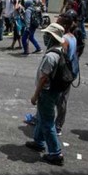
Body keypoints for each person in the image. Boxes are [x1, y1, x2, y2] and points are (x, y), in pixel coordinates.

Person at [25, 23, 66, 166]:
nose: (44, 37)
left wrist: (35, 95)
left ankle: (56, 153)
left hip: (47, 92)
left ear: (52, 38)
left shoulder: (51, 56)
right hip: (55, 91)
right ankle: (38, 142)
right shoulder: (61, 51)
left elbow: (44, 78)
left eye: (47, 35)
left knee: (48, 123)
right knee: (42, 118)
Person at [55, 11, 80, 136]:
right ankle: (58, 124)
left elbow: (61, 58)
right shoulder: (72, 36)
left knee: (60, 100)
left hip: (63, 74)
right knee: (62, 100)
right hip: (70, 72)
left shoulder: (64, 39)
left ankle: (57, 125)